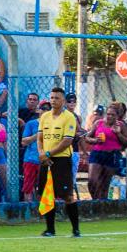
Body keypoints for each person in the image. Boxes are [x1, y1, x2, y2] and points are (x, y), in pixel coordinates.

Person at [30, 85, 81, 236]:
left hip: (62, 160)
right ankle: (50, 229)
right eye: (52, 97)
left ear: (63, 100)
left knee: (68, 196)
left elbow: (67, 141)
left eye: (57, 98)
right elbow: (39, 138)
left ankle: (76, 229)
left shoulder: (69, 117)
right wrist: (41, 154)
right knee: (46, 193)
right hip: (46, 160)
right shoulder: (44, 117)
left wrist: (47, 153)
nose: (53, 100)